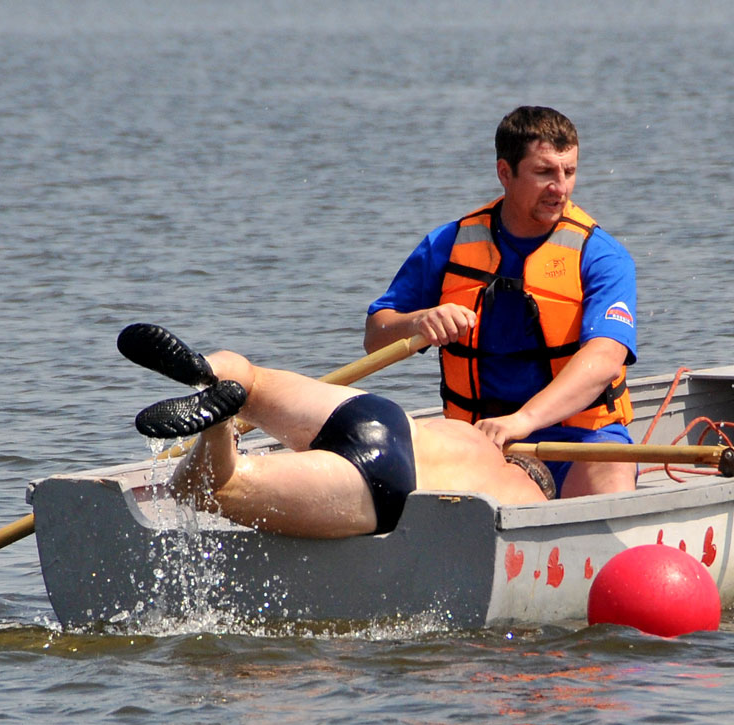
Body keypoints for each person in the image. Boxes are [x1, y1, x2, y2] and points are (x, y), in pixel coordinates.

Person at [364, 106, 638, 499]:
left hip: (583, 440)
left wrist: (522, 420)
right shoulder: (447, 245)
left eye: (569, 172)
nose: (560, 188)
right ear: (505, 173)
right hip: (481, 440)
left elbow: (606, 357)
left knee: (610, 473)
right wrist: (419, 321)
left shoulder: (602, 256)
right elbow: (376, 336)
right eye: (544, 172)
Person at [118, 323, 552, 539]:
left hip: (377, 414)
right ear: (528, 474)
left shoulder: (472, 434)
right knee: (203, 489)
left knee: (251, 379)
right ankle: (218, 429)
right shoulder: (530, 494)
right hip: (388, 480)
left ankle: (210, 374)